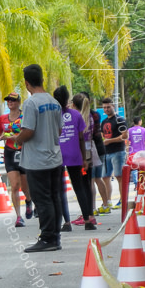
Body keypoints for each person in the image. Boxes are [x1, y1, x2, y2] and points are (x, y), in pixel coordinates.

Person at [15, 65, 65, 253]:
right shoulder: (54, 102)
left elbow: (28, 130)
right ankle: (55, 237)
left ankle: (46, 239)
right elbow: (59, 130)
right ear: (42, 80)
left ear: (27, 83)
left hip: (37, 161)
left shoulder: (31, 103)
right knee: (54, 198)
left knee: (42, 200)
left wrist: (17, 140)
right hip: (55, 158)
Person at [55, 86, 96, 231]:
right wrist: (84, 158)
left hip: (57, 156)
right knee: (79, 188)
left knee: (61, 190)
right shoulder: (76, 115)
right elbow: (81, 138)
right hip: (75, 155)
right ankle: (87, 221)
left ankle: (66, 223)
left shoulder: (52, 115)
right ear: (67, 99)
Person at [0, 93, 32, 227]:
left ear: (18, 102)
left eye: (13, 100)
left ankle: (29, 200)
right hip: (10, 152)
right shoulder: (3, 118)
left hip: (24, 151)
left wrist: (16, 136)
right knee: (15, 185)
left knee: (25, 185)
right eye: (8, 100)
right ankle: (18, 217)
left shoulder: (25, 117)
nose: (10, 102)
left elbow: (30, 133)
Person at [100, 98, 128, 206]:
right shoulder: (104, 121)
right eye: (104, 107)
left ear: (113, 106)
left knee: (119, 176)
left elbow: (125, 136)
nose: (106, 109)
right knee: (105, 177)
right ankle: (108, 201)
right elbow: (103, 136)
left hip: (118, 151)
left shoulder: (120, 119)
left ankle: (122, 200)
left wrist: (110, 141)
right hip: (106, 152)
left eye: (108, 107)